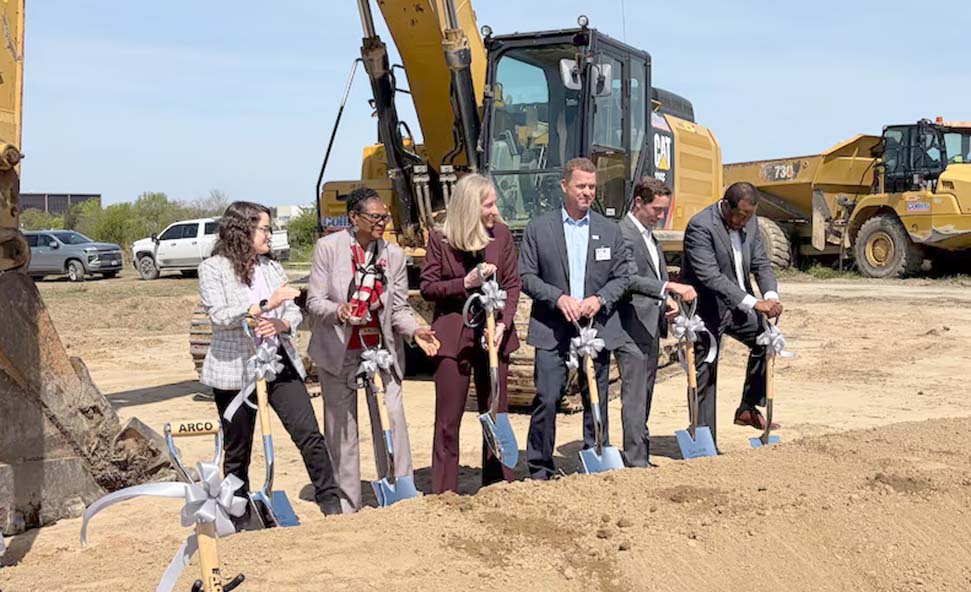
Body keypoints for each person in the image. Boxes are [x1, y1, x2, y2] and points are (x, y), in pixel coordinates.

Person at [198, 201, 342, 519]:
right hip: (235, 368)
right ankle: (237, 509)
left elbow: (290, 307)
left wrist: (282, 322)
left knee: (308, 433)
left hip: (277, 361)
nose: (269, 236)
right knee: (238, 446)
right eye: (265, 229)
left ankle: (330, 500)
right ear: (243, 230)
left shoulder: (271, 268)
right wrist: (262, 307)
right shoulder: (212, 269)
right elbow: (220, 316)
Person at [306, 187, 438, 513]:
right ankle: (348, 504)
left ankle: (399, 489)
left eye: (385, 217)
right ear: (354, 218)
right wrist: (340, 311)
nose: (381, 222)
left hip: (381, 349)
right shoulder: (328, 248)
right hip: (339, 350)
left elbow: (399, 309)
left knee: (393, 419)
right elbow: (314, 302)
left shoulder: (391, 255)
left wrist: (416, 330)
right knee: (342, 430)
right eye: (375, 217)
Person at [518, 157, 631, 480]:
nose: (587, 193)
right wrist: (558, 298)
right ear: (564, 186)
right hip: (552, 328)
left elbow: (622, 277)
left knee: (596, 396)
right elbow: (526, 275)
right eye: (581, 186)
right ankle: (540, 466)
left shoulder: (609, 230)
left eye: (592, 187)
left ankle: (594, 459)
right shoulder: (539, 229)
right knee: (548, 397)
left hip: (596, 328)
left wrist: (600, 298)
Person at [420, 173, 521, 493]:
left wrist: (503, 323)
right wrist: (464, 284)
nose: (494, 210)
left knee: (495, 414)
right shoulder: (441, 240)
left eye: (494, 203)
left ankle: (497, 486)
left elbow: (512, 284)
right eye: (488, 205)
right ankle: (444, 491)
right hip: (453, 340)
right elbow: (427, 287)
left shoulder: (502, 236)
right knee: (448, 422)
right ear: (469, 207)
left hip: (495, 337)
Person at [681, 181, 783, 446]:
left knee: (766, 339)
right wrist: (752, 302)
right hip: (706, 308)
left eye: (749, 216)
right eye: (739, 215)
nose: (743, 221)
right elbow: (710, 277)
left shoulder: (750, 223)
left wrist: (770, 296)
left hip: (737, 306)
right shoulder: (700, 226)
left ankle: (748, 407)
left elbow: (761, 263)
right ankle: (704, 440)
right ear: (726, 205)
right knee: (706, 372)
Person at [614, 177, 697, 467]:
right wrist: (669, 289)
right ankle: (636, 459)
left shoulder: (649, 235)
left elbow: (654, 278)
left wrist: (665, 302)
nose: (661, 215)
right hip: (630, 326)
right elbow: (628, 278)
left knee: (645, 392)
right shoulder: (623, 234)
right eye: (656, 209)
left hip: (649, 324)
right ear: (639, 202)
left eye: (664, 209)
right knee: (635, 394)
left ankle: (640, 455)